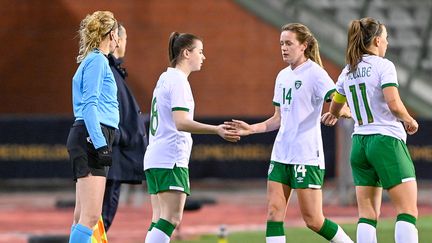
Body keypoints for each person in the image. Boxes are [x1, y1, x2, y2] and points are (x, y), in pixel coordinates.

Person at [226, 23, 353, 243]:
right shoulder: (282, 76)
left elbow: (340, 103)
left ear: (303, 46)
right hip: (281, 153)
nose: (283, 48)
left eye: (288, 43)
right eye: (281, 44)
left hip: (306, 155)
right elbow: (278, 118)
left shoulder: (315, 73)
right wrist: (251, 129)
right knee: (274, 214)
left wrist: (340, 112)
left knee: (314, 220)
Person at [321, 17, 419, 243]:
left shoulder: (348, 70)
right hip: (386, 141)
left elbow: (335, 102)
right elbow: (393, 104)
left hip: (359, 145)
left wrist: (334, 114)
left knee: (367, 216)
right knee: (407, 210)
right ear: (376, 40)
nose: (387, 43)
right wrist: (408, 119)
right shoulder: (384, 66)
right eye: (385, 39)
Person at [143, 32, 240, 243]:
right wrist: (217, 130)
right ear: (186, 53)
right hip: (171, 158)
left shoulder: (165, 77)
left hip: (155, 156)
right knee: (171, 218)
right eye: (200, 51)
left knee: (159, 218)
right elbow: (181, 122)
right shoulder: (178, 81)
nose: (203, 57)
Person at [66, 11, 119, 243]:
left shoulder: (93, 60)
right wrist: (100, 144)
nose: (118, 38)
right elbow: (89, 105)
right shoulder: (97, 60)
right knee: (91, 216)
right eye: (117, 33)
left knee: (81, 215)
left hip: (87, 134)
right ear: (110, 34)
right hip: (93, 135)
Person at [102, 23, 148, 231]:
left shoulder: (113, 70)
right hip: (111, 157)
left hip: (115, 157)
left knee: (100, 217)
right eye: (126, 38)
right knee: (99, 217)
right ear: (117, 40)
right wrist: (121, 137)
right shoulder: (107, 71)